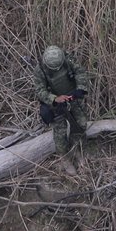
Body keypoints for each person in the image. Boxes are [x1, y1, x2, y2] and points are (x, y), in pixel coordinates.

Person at [35, 45, 89, 175]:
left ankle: (76, 149)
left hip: (72, 97)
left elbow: (80, 72)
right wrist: (55, 98)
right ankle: (64, 157)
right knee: (60, 131)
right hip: (56, 103)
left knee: (81, 124)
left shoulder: (67, 59)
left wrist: (79, 89)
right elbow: (39, 91)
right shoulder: (41, 70)